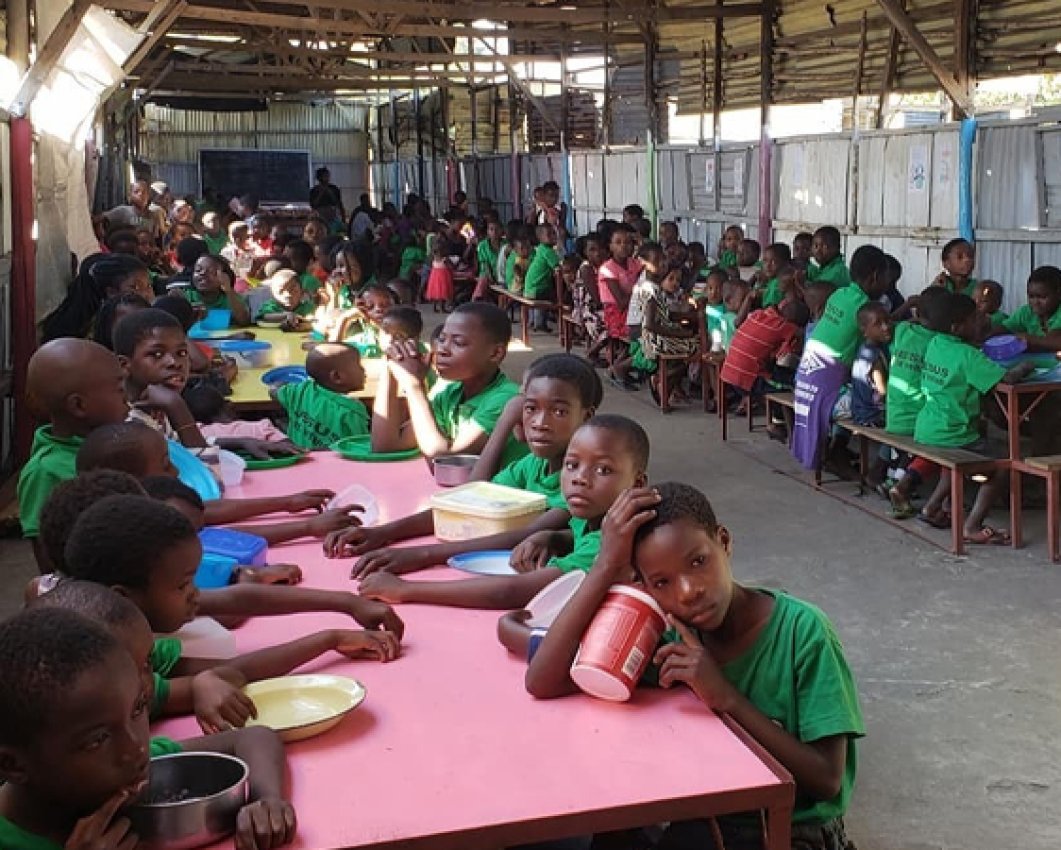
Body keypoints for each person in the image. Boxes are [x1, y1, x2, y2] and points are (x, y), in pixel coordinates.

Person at [524, 481, 864, 850]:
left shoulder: (803, 631)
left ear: (724, 542)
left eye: (698, 562)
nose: (688, 591)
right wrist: (605, 566)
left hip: (793, 830)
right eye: (662, 582)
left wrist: (726, 698)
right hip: (710, 815)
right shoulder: (667, 639)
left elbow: (827, 779)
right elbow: (544, 680)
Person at [62, 496, 400, 726]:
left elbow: (228, 657)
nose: (195, 593)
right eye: (183, 585)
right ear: (124, 598)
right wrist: (330, 636)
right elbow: (226, 673)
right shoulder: (103, 676)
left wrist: (338, 621)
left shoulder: (119, 629)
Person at [0, 606, 298, 850]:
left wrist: (265, 799)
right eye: (98, 739)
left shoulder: (123, 771)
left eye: (138, 709)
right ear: (12, 765)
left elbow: (255, 737)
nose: (137, 748)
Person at [333, 354, 602, 575]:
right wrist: (382, 532)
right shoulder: (533, 464)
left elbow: (526, 534)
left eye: (559, 412)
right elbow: (471, 498)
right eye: (531, 408)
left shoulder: (584, 479)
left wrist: (422, 555)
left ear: (586, 416)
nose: (540, 423)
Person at [359, 415, 648, 611]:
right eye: (572, 465)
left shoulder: (609, 543)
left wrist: (406, 590)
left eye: (604, 470)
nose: (580, 479)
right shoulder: (592, 515)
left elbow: (511, 592)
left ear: (637, 484)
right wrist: (554, 537)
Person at [914, 293, 1033, 542]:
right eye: (974, 318)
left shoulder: (936, 343)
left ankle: (932, 507)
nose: (981, 321)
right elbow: (1006, 378)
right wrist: (1025, 367)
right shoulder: (968, 356)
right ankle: (973, 525)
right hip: (953, 433)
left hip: (927, 428)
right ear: (956, 327)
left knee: (953, 460)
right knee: (1003, 464)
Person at [18, 339, 130, 570]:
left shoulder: (110, 443)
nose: (126, 397)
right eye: (119, 389)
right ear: (79, 405)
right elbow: (47, 557)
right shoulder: (45, 471)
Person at [371, 302, 526, 465]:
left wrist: (414, 387)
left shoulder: (507, 399)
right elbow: (386, 445)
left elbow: (444, 461)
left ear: (495, 353)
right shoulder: (451, 394)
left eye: (458, 342)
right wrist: (392, 366)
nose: (442, 350)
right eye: (442, 339)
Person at [791, 245, 889, 471]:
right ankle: (872, 465)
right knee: (881, 405)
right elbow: (883, 332)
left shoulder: (840, 294)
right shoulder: (864, 307)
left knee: (858, 382)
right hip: (828, 397)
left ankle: (837, 447)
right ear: (875, 277)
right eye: (886, 278)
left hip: (803, 387)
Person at [883, 287, 951, 519]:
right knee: (946, 433)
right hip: (916, 420)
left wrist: (908, 307)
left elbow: (889, 322)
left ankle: (893, 478)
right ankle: (902, 483)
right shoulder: (937, 343)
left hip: (893, 413)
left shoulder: (902, 330)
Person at [272, 343, 368, 449]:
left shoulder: (301, 390)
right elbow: (361, 448)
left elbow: (273, 391)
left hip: (296, 456)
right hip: (331, 460)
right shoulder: (352, 412)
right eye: (359, 365)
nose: (364, 370)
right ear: (337, 377)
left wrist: (280, 385)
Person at [721, 299, 808, 403]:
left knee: (784, 373)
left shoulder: (758, 314)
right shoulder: (784, 326)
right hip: (748, 380)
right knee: (795, 385)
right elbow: (801, 344)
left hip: (730, 373)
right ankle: (778, 412)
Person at [637, 266, 700, 407]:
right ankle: (663, 379)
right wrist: (681, 334)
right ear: (661, 279)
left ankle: (666, 386)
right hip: (656, 340)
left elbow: (668, 316)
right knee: (698, 349)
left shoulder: (659, 293)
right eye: (670, 279)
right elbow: (650, 325)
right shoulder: (652, 295)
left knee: (688, 352)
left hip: (659, 336)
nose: (675, 283)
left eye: (678, 280)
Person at [849, 303, 892, 428]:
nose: (885, 327)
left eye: (887, 321)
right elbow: (882, 391)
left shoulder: (864, 348)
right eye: (878, 324)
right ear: (864, 330)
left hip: (860, 412)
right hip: (872, 416)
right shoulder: (873, 356)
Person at [598, 225, 642, 343]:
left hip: (633, 307)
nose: (623, 246)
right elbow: (621, 302)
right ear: (611, 246)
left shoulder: (636, 264)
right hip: (616, 313)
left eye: (628, 242)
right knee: (644, 328)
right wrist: (639, 291)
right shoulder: (607, 269)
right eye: (618, 242)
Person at [1000, 265, 1061, 351]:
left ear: (1059, 294)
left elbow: (1055, 340)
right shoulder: (1026, 312)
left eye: (1042, 297)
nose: (1035, 302)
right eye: (1031, 296)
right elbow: (1003, 329)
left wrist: (1032, 340)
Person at [187, 254, 251, 326]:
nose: (202, 273)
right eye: (198, 270)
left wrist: (228, 290)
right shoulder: (187, 296)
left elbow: (244, 321)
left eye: (211, 271)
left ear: (226, 277)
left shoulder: (231, 298)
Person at [523, 223, 562, 332]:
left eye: (554, 233)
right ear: (540, 238)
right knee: (556, 297)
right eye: (549, 234)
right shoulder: (548, 251)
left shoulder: (540, 248)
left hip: (529, 288)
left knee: (547, 291)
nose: (553, 236)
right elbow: (558, 268)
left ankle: (533, 321)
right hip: (537, 289)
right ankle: (541, 323)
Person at [475, 218, 505, 298]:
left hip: (503, 274)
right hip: (487, 274)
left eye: (497, 229)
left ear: (502, 230)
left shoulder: (506, 244)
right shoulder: (482, 245)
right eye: (491, 229)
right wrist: (492, 278)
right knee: (483, 281)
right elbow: (485, 264)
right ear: (488, 231)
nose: (494, 232)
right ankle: (475, 301)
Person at [425, 240, 455, 313]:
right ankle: (442, 308)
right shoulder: (445, 259)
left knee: (436, 292)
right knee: (442, 293)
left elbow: (430, 266)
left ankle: (435, 307)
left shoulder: (433, 258)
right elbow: (451, 266)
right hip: (443, 277)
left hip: (434, 276)